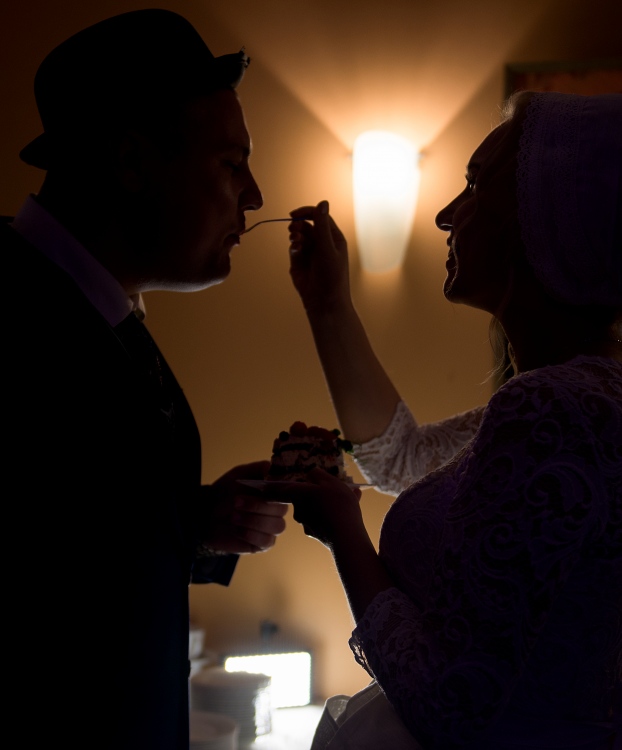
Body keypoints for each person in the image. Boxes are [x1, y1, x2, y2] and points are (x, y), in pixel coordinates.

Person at [266, 92, 622, 748]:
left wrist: (343, 529)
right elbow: (402, 460)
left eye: (474, 185)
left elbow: (452, 704)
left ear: (544, 216)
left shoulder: (553, 409)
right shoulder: (583, 399)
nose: (443, 214)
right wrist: (328, 303)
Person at [4, 9, 288, 750]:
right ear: (132, 163)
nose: (255, 196)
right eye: (230, 164)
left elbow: (66, 530)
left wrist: (193, 522)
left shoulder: (98, 310)